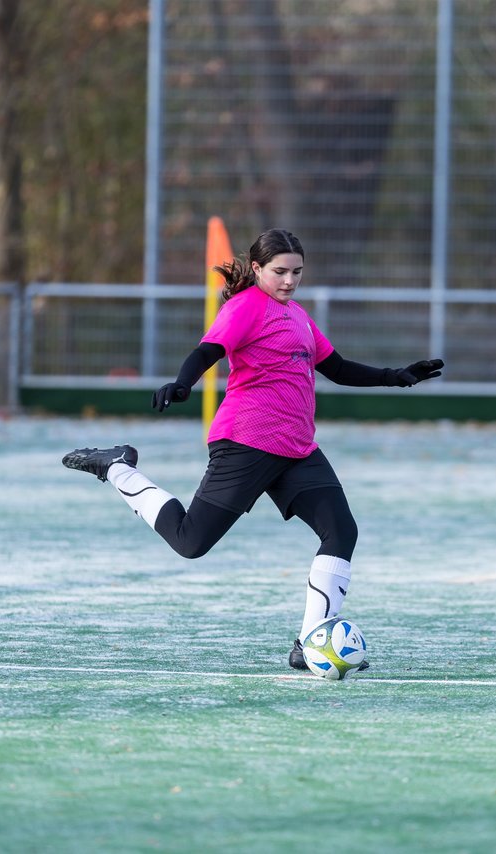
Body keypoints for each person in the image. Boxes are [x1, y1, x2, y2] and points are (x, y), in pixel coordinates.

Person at [61, 228, 443, 672]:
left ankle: (308, 643)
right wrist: (183, 384)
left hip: (297, 450)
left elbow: (336, 368)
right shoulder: (246, 307)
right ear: (257, 269)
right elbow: (207, 350)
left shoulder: (298, 315)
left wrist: (397, 375)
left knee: (342, 532)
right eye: (280, 271)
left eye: (297, 272)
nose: (289, 281)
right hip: (246, 443)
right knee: (190, 542)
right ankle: (117, 468)